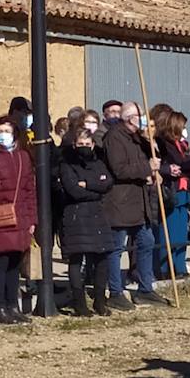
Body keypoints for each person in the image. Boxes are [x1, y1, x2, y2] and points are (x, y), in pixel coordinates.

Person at [103, 101, 164, 306]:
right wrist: (146, 168)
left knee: (146, 242)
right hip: (121, 201)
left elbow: (148, 157)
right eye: (140, 117)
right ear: (130, 119)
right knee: (116, 247)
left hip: (139, 202)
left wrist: (150, 146)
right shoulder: (114, 137)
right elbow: (119, 169)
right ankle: (115, 292)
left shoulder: (137, 138)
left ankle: (145, 288)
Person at [58, 120, 114, 315]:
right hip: (76, 216)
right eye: (80, 144)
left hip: (97, 214)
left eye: (87, 144)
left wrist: (87, 184)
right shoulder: (66, 164)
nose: (84, 147)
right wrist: (95, 189)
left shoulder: (98, 162)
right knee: (76, 260)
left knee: (102, 258)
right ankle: (80, 303)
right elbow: (73, 190)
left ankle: (100, 301)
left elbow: (107, 182)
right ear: (74, 145)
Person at [0, 116, 36, 325]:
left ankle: (12, 305)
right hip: (1, 216)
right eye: (0, 130)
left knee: (15, 263)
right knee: (1, 263)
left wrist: (32, 219)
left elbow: (29, 190)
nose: (3, 134)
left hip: (21, 216)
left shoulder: (23, 156)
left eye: (7, 130)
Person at [153, 108, 190, 278]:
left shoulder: (181, 144)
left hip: (183, 190)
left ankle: (179, 266)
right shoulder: (165, 143)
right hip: (171, 191)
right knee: (168, 232)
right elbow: (181, 162)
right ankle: (166, 268)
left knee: (180, 232)